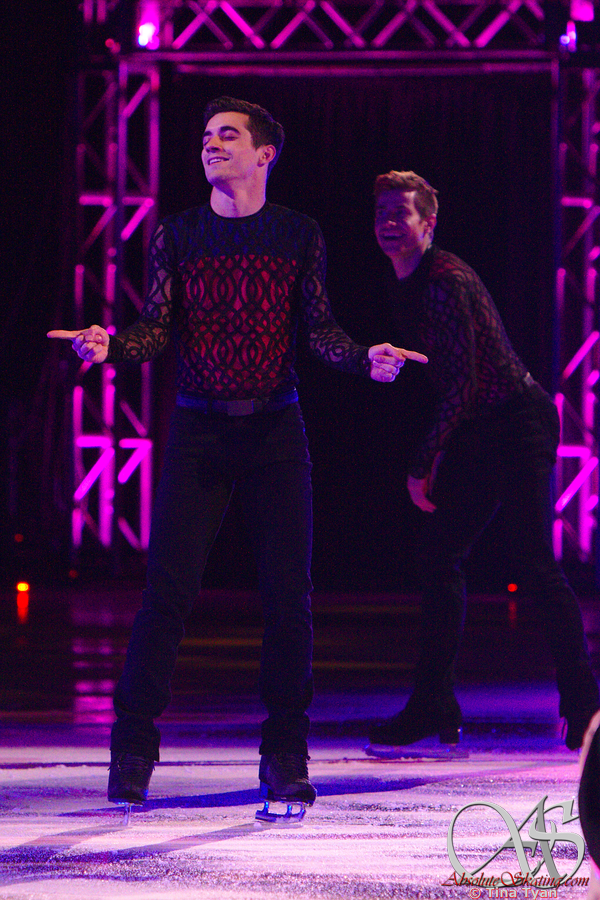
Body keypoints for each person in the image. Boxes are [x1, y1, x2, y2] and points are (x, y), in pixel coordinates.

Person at [49, 99, 427, 813]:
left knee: (288, 597)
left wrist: (363, 357)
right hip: (199, 431)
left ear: (265, 154)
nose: (212, 144)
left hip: (274, 430)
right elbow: (156, 327)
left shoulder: (296, 233)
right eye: (205, 137)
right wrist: (111, 346)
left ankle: (284, 754)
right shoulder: (179, 234)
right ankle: (132, 751)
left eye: (228, 135)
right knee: (167, 594)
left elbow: (320, 331)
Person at [367, 170, 599, 752]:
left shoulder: (443, 281)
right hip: (485, 427)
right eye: (382, 213)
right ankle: (434, 704)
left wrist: (423, 462)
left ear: (429, 222)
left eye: (401, 212)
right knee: (438, 553)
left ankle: (585, 704)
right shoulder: (408, 278)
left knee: (533, 564)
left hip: (516, 425)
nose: (389, 222)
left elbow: (465, 385)